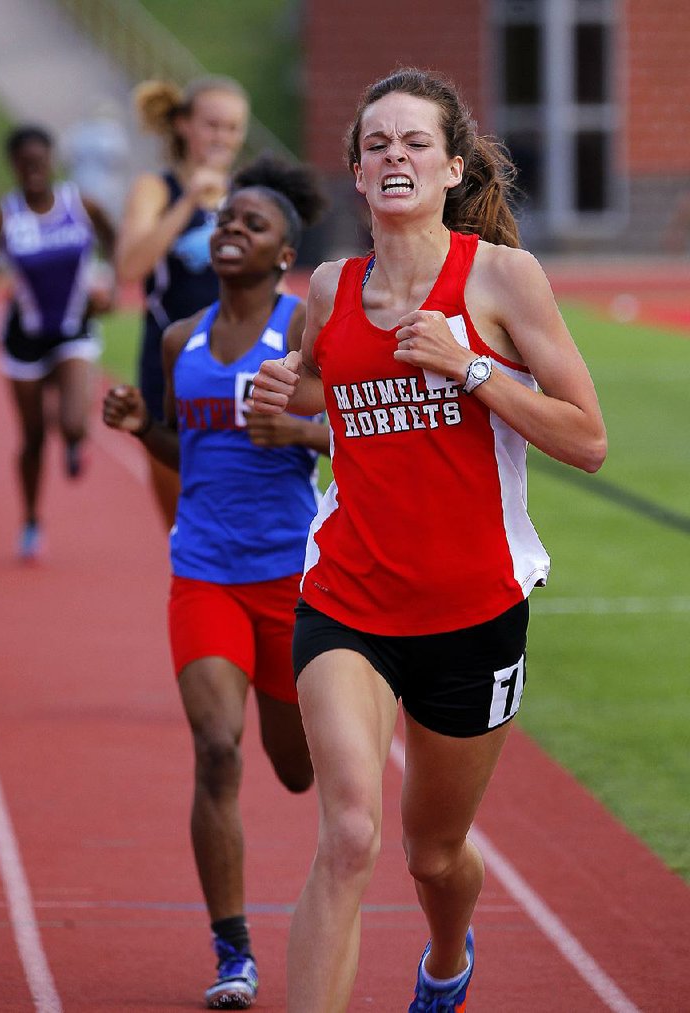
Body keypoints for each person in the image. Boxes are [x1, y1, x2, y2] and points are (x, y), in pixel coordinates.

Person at [250, 68, 607, 1013]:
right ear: (358, 177)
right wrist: (285, 404)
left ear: (452, 167)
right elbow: (337, 403)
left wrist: (472, 367)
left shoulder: (502, 278)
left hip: (473, 610)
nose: (394, 156)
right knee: (351, 834)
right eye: (377, 145)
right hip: (347, 601)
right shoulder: (329, 287)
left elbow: (587, 438)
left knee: (433, 851)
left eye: (414, 143)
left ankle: (447, 958)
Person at [103, 156, 329, 1010]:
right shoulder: (178, 339)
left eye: (252, 224)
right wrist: (138, 428)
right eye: (225, 219)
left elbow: (359, 436)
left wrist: (296, 432)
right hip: (203, 571)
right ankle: (233, 950)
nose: (230, 229)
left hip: (290, 581)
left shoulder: (304, 326)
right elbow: (180, 447)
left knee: (298, 769)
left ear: (283, 255)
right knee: (215, 749)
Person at [0, 124, 117, 561]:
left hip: (74, 328)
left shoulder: (81, 205)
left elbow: (115, 240)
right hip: (24, 338)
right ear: (13, 165)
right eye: (24, 163)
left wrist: (112, 284)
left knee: (73, 423)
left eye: (40, 161)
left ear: (52, 161)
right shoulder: (2, 218)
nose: (33, 170)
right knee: (31, 438)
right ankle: (31, 520)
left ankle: (73, 440)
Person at [115, 75, 250, 530]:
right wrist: (192, 198)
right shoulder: (158, 188)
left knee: (244, 511)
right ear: (182, 125)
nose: (222, 138)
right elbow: (129, 267)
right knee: (183, 524)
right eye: (212, 125)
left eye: (233, 128)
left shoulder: (250, 194)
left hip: (240, 363)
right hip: (170, 362)